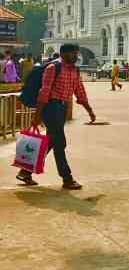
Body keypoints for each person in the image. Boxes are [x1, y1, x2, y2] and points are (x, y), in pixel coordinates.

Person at [16, 43, 96, 189]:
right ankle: (67, 178)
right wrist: (37, 115)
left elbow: (80, 91)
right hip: (50, 108)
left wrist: (89, 110)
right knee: (60, 143)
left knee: (52, 141)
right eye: (74, 54)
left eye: (77, 54)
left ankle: (25, 171)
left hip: (62, 108)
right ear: (64, 54)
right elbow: (44, 92)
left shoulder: (75, 71)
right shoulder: (53, 68)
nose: (76, 57)